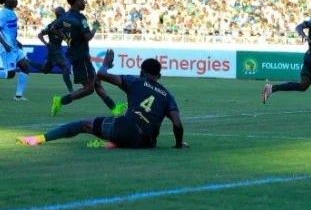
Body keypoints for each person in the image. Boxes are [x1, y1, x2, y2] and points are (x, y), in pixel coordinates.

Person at [17, 49, 187, 149]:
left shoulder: (136, 81)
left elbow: (102, 75)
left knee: (83, 125)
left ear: (141, 71)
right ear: (159, 75)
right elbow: (177, 124)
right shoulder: (168, 95)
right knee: (140, 129)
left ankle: (39, 139)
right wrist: (178, 144)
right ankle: (115, 143)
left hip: (125, 129)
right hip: (146, 143)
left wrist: (106, 63)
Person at [50, 0, 124, 117]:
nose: (84, 2)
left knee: (96, 83)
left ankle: (114, 108)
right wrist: (95, 27)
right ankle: (60, 101)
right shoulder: (80, 18)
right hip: (81, 56)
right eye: (83, 0)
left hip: (76, 53)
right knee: (89, 88)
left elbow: (53, 28)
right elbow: (88, 36)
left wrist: (67, 39)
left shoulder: (64, 17)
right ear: (77, 1)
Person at [0, 0, 31, 101]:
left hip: (14, 47)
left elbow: (10, 31)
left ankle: (18, 96)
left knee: (25, 67)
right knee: (10, 74)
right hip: (7, 48)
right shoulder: (2, 14)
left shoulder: (12, 13)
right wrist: (5, 44)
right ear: (6, 1)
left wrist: (17, 41)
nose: (16, 1)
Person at [37, 6, 74, 93]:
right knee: (64, 67)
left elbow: (66, 37)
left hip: (56, 49)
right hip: (54, 49)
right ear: (59, 15)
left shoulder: (63, 25)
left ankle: (28, 62)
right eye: (63, 14)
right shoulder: (51, 25)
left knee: (45, 70)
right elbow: (40, 35)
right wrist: (46, 44)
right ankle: (71, 91)